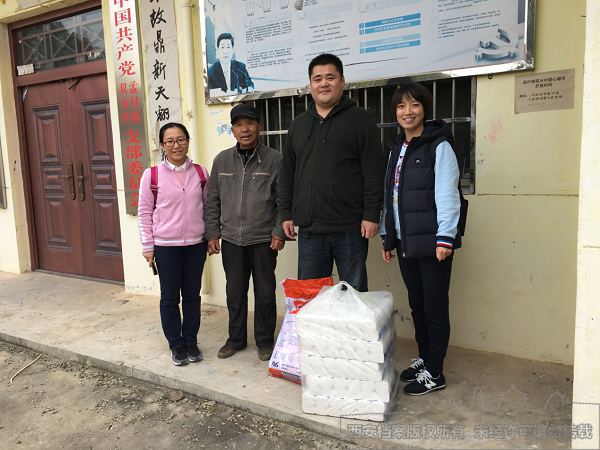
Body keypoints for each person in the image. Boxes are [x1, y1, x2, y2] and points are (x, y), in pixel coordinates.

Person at [379, 82, 462, 395]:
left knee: (434, 308)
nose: (407, 111)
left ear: (424, 108)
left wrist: (446, 237)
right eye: (401, 106)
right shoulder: (397, 147)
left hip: (432, 242)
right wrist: (388, 236)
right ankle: (425, 359)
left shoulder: (438, 145)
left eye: (414, 105)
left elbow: (448, 193)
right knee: (418, 306)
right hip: (405, 241)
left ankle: (436, 373)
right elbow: (390, 195)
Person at [280, 53, 384, 292]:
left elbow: (373, 171)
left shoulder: (361, 120)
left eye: (330, 77)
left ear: (343, 81)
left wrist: (372, 213)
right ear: (310, 84)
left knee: (353, 296)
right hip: (310, 230)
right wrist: (286, 213)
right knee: (311, 297)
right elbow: (288, 173)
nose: (323, 84)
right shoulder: (298, 125)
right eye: (317, 79)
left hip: (350, 228)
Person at [204, 104, 286, 361]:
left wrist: (278, 232)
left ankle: (264, 340)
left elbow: (283, 201)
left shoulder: (275, 159)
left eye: (249, 123)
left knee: (265, 293)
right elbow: (212, 200)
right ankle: (236, 339)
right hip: (231, 239)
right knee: (235, 293)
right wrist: (212, 233)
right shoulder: (221, 160)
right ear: (233, 130)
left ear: (259, 127)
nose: (245, 129)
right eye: (239, 124)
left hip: (263, 239)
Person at [138, 123, 209, 366]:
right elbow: (144, 212)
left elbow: (208, 207)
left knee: (192, 296)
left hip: (196, 245)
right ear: (162, 145)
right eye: (170, 141)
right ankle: (176, 344)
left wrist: (210, 237)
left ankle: (190, 341)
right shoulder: (152, 175)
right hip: (166, 246)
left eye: (181, 139)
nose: (176, 145)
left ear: (188, 142)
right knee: (169, 298)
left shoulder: (200, 173)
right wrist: (148, 246)